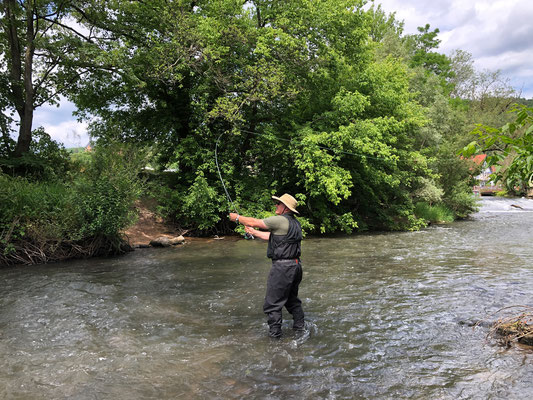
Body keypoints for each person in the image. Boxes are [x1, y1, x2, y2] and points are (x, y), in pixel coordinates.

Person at [229, 194, 305, 338]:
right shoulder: (295, 224)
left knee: (273, 304)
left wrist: (236, 218)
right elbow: (273, 237)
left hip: (282, 268)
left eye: (278, 203)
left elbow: (253, 221)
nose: (276, 205)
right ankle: (300, 329)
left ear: (285, 208)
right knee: (291, 300)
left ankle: (275, 338)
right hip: (295, 266)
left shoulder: (279, 220)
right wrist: (254, 233)